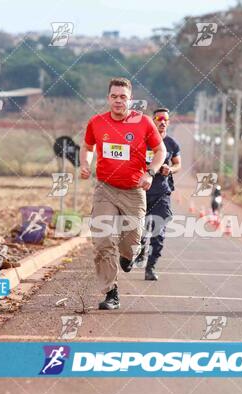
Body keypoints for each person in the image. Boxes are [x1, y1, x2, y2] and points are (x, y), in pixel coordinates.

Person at [80, 77, 166, 310]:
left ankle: (128, 257)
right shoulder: (96, 122)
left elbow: (160, 150)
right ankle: (111, 293)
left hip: (134, 191)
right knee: (103, 241)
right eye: (114, 96)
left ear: (130, 100)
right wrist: (85, 164)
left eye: (123, 97)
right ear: (108, 98)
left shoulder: (144, 123)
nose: (118, 101)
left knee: (130, 241)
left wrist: (150, 173)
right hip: (105, 189)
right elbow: (87, 147)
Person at [135, 108, 181, 281]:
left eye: (165, 119)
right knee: (140, 228)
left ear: (168, 123)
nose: (162, 122)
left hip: (162, 192)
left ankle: (151, 267)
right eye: (159, 119)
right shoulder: (142, 142)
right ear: (153, 121)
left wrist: (170, 169)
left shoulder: (172, 144)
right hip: (142, 191)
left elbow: (178, 165)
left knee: (158, 230)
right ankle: (139, 250)